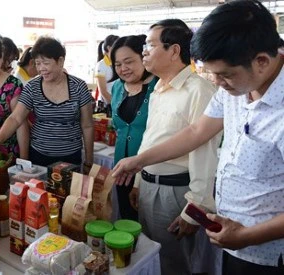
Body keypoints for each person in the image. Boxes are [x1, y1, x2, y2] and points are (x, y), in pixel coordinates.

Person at [113, 1, 284, 274]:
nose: (216, 82)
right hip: (229, 233)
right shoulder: (234, 89)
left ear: (262, 61)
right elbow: (196, 132)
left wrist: (248, 236)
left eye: (225, 75)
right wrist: (139, 161)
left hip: (266, 252)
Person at [116, 19, 221, 275]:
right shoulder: (158, 89)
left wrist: (195, 208)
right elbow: (152, 138)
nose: (144, 52)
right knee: (150, 255)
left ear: (174, 51)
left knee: (175, 264)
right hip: (149, 187)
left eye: (150, 45)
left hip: (177, 193)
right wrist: (140, 181)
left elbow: (205, 151)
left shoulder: (199, 90)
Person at [0, 36, 94, 169]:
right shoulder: (33, 87)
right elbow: (16, 117)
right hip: (39, 156)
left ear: (60, 61)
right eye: (37, 63)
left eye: (46, 63)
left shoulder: (78, 87)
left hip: (70, 158)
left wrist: (89, 161)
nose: (41, 68)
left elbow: (87, 125)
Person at [109, 35, 158, 220]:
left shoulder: (159, 86)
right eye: (118, 64)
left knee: (148, 225)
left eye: (128, 62)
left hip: (150, 169)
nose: (123, 69)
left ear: (144, 57)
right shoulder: (117, 87)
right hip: (121, 169)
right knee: (126, 221)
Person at [94, 35, 119, 104]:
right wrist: (114, 105)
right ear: (109, 48)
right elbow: (103, 91)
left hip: (118, 101)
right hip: (107, 104)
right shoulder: (101, 65)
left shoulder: (118, 62)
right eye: (117, 47)